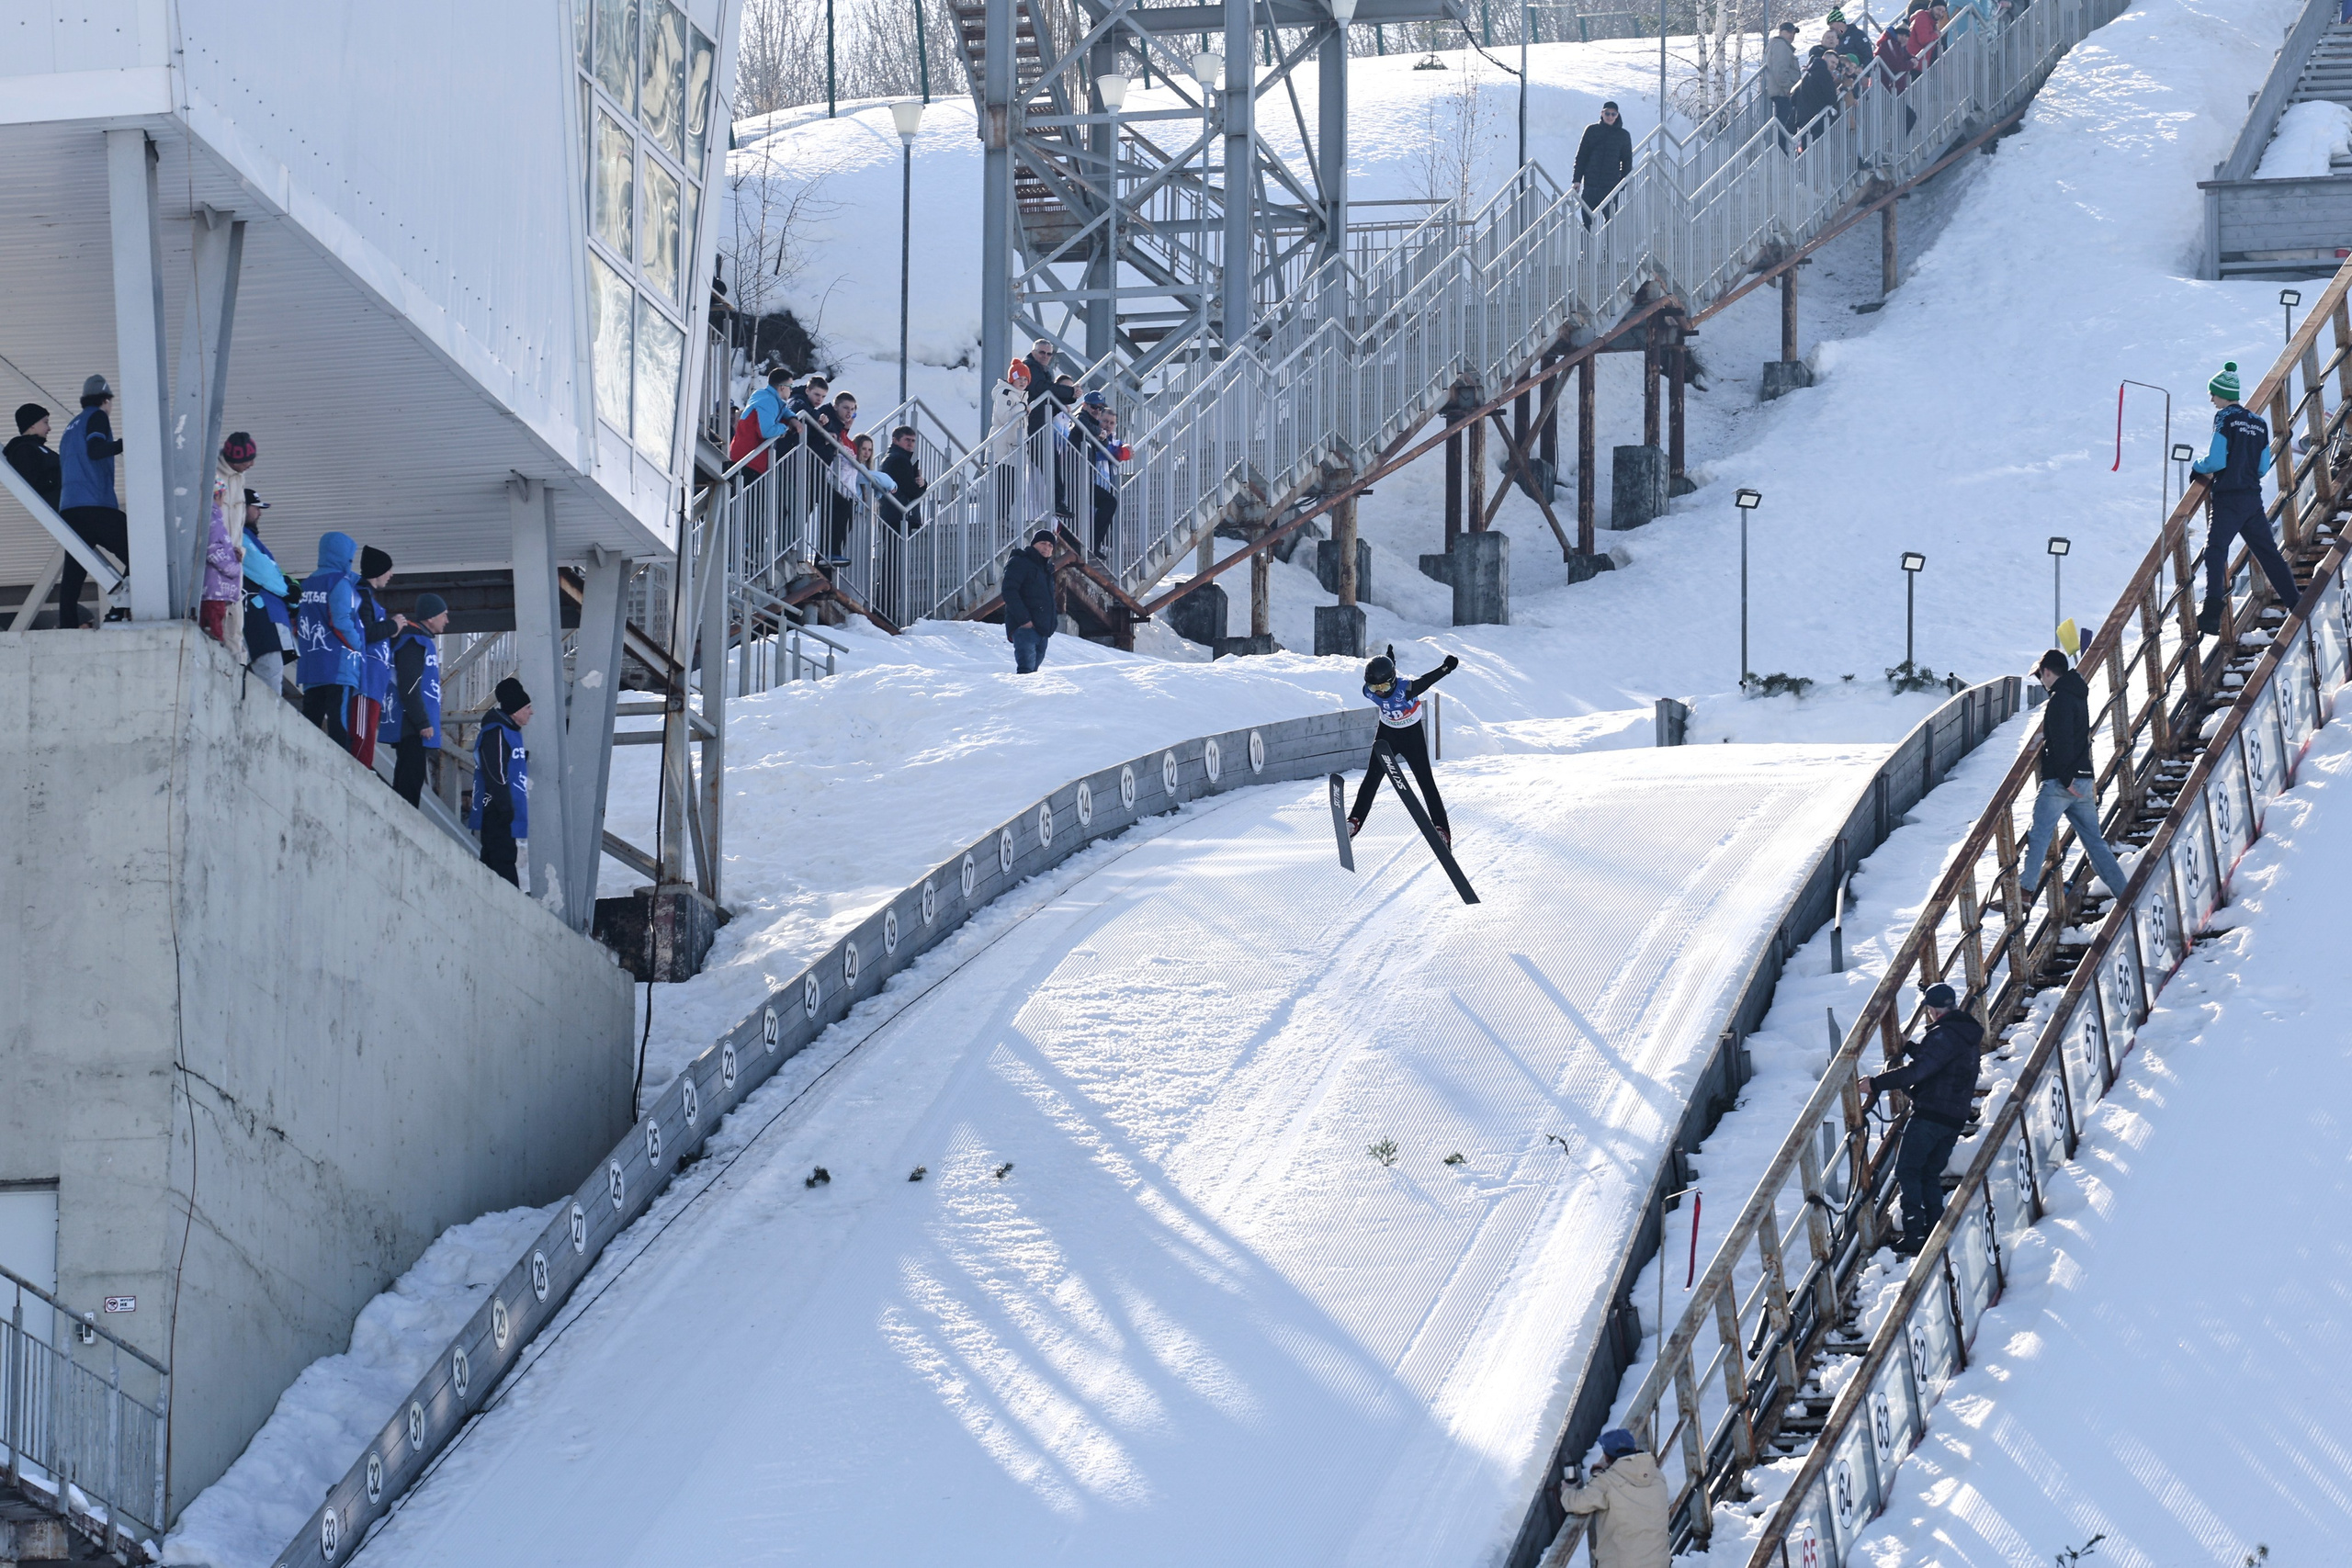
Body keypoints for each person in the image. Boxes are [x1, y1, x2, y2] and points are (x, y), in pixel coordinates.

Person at [1858, 982, 1984, 1255]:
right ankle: (1935, 1227)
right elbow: (1940, 1062)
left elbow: (1918, 1072)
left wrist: (1876, 1084)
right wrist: (1912, 1047)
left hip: (1931, 1115)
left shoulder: (1943, 1035)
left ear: (1933, 1011)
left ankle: (1915, 1232)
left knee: (1908, 1170)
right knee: (1929, 1173)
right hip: (1954, 1117)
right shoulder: (1963, 1033)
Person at [2192, 361, 2299, 634]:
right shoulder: (2258, 423)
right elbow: (2263, 467)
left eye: (2212, 394)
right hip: (2252, 499)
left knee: (2215, 551)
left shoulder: (2225, 419)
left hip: (2228, 498)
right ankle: (2297, 605)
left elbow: (2216, 460)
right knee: (2268, 554)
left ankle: (2212, 614)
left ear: (2221, 394)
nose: (2211, 399)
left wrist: (2198, 467)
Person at [2019, 649, 2130, 900]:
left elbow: (2060, 741)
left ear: (2048, 672)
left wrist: (2066, 778)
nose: (2041, 681)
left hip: (2061, 783)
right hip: (2083, 778)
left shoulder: (2059, 699)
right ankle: (2125, 894)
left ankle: (2025, 891)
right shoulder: (2078, 695)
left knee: (2039, 833)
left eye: (2040, 676)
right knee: (2095, 843)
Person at [1348, 648, 1461, 844]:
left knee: (1426, 782)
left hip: (1411, 735)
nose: (1379, 691)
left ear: (1392, 681)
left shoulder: (1406, 689)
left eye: (1382, 686)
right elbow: (1383, 678)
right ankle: (1355, 821)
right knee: (1371, 779)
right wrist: (1389, 660)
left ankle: (1442, 829)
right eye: (1375, 688)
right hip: (1387, 733)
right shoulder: (1368, 691)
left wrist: (1446, 668)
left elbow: (1427, 680)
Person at [56, 376, 128, 629]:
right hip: (95, 504)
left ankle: (67, 625)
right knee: (141, 551)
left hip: (70, 507)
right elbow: (96, 449)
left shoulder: (70, 426)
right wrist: (125, 444)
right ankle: (122, 610)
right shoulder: (97, 416)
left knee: (74, 572)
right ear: (106, 401)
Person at [1558, 1429, 1670, 1568]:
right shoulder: (1657, 1476)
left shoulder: (1606, 1482)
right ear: (1634, 1449)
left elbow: (1576, 1503)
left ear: (1606, 1457)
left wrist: (1568, 1490)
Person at [296, 531, 365, 746]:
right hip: (338, 665)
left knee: (310, 718)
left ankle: (303, 760)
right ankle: (341, 771)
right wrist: (358, 647)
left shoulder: (307, 584)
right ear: (342, 556)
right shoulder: (339, 583)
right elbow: (341, 622)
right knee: (339, 721)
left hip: (311, 664)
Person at [381, 593, 448, 807]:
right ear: (430, 618)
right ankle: (402, 824)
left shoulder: (419, 640)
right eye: (444, 615)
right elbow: (409, 684)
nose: (447, 620)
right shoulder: (413, 641)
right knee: (410, 778)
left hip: (411, 723)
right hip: (411, 725)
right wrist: (422, 722)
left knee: (409, 776)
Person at [471, 676, 532, 886]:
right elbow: (495, 771)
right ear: (515, 710)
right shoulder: (496, 731)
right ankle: (512, 911)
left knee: (493, 859)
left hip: (502, 807)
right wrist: (505, 807)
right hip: (497, 809)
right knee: (502, 859)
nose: (531, 712)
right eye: (527, 707)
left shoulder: (508, 732)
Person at [198, 432, 258, 644]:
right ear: (233, 461)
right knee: (220, 621)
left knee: (235, 618)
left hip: (232, 558)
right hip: (216, 565)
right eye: (247, 461)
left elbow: (237, 523)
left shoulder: (239, 477)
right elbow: (210, 524)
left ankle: (237, 661)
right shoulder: (213, 476)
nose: (251, 464)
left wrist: (239, 550)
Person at [348, 547, 405, 766]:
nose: (391, 575)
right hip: (366, 678)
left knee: (369, 727)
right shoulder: (362, 595)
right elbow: (367, 633)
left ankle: (364, 766)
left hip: (374, 679)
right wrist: (392, 626)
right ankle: (359, 768)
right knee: (362, 730)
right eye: (388, 570)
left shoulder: (367, 596)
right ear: (378, 571)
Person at [236, 491, 297, 692]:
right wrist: (289, 593)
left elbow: (276, 571)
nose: (260, 514)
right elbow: (264, 573)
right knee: (269, 685)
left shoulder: (249, 538)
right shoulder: (240, 537)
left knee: (262, 682)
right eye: (256, 508)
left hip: (265, 616)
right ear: (242, 508)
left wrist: (291, 587)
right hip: (263, 616)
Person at [1069, 393, 1132, 558]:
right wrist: (1119, 452)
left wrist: (1123, 449)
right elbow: (1103, 451)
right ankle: (1087, 544)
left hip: (1094, 482)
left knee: (1108, 506)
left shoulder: (1104, 436)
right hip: (1080, 479)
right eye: (1105, 421)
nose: (1108, 425)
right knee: (1094, 509)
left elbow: (1112, 447)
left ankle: (1095, 546)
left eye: (1112, 423)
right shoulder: (1085, 424)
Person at [1002, 529, 1058, 673]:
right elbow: (1009, 591)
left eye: (1050, 545)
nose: (1047, 547)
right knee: (1026, 672)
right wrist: (1024, 620)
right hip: (1025, 628)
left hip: (1043, 630)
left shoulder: (1047, 570)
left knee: (1033, 674)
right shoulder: (1020, 562)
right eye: (1043, 543)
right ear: (1034, 544)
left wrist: (1052, 623)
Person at [729, 366, 793, 475]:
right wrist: (784, 428)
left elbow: (784, 410)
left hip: (741, 456)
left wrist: (793, 418)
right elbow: (766, 431)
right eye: (790, 387)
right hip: (749, 461)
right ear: (783, 387)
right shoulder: (769, 401)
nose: (791, 390)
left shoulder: (762, 395)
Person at [1572, 102, 1633, 215]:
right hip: (1590, 184)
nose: (1610, 117)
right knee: (1587, 220)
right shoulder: (1591, 130)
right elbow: (1581, 156)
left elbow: (1627, 161)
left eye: (1613, 114)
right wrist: (1577, 179)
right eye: (1607, 113)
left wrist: (1622, 183)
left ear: (1617, 115)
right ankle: (1588, 234)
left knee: (1610, 221)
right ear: (1602, 113)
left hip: (1610, 186)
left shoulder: (1623, 135)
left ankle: (1610, 234)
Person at [879, 424, 927, 531]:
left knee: (892, 547)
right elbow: (912, 491)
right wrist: (922, 486)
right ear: (895, 440)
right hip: (898, 516)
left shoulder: (893, 457)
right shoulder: (899, 460)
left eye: (913, 441)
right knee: (897, 547)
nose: (910, 444)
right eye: (907, 440)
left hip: (892, 515)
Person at [1792, 46, 1839, 135]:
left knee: (1805, 147)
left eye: (1836, 64)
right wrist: (1835, 92)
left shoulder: (1807, 74)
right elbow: (1831, 99)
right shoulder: (1825, 74)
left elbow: (1793, 98)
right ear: (1824, 58)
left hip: (1803, 120)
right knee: (1817, 147)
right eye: (1832, 62)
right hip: (1817, 120)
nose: (1834, 66)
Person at [1765, 23, 1802, 131]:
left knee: (1784, 124)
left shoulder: (1779, 45)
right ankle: (1781, 148)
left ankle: (1782, 147)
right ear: (1781, 32)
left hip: (1782, 92)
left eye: (1794, 33)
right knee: (1784, 125)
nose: (1792, 35)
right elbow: (1780, 71)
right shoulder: (1781, 46)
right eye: (1789, 32)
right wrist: (1789, 89)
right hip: (1783, 92)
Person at [1022, 338, 1059, 437]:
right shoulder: (1030, 367)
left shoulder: (1044, 371)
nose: (1045, 356)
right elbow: (1041, 387)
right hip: (1030, 423)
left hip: (1039, 422)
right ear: (1033, 353)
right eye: (1042, 352)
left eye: (1049, 354)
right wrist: (1070, 392)